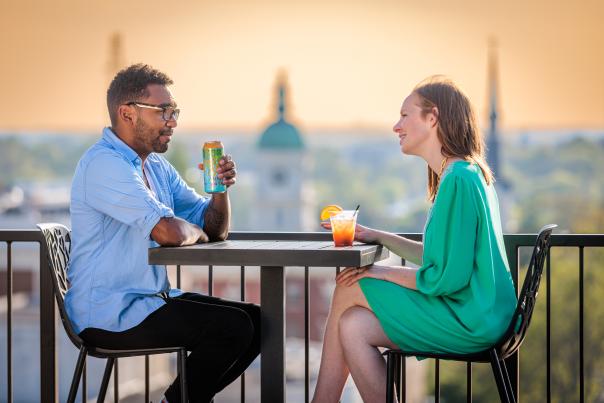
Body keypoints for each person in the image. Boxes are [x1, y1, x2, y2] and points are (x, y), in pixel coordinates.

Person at [311, 76, 517, 402]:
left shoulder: (458, 181)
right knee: (352, 325)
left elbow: (446, 278)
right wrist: (378, 235)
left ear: (432, 118)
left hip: (472, 319)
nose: (396, 126)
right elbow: (444, 258)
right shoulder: (466, 173)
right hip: (480, 314)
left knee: (348, 285)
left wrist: (376, 273)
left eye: (405, 115)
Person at [67, 63, 260, 403]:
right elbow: (168, 232)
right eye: (163, 111)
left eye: (175, 111)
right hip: (109, 313)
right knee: (233, 328)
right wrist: (193, 232)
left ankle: (181, 399)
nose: (172, 121)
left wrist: (219, 191)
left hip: (149, 299)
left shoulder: (155, 167)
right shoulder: (104, 165)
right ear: (127, 113)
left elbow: (214, 229)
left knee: (257, 321)